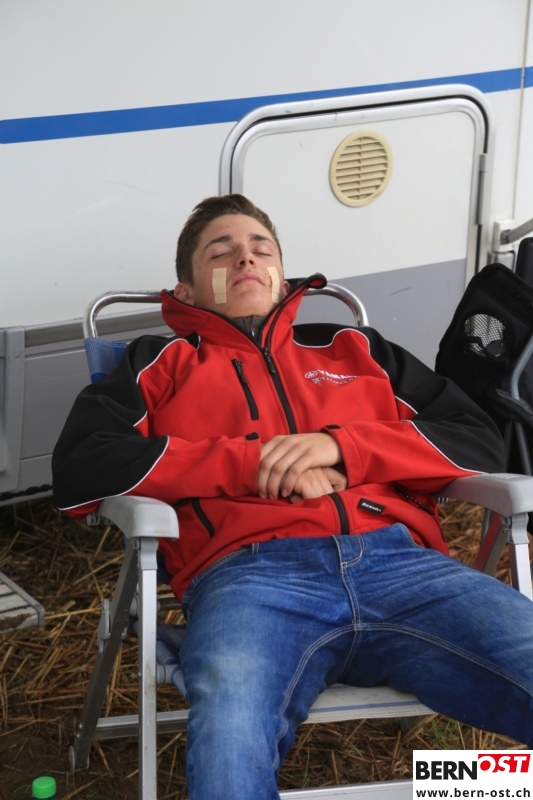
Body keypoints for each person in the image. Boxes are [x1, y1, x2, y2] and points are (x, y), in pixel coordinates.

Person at [53, 194, 533, 800]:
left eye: (261, 248)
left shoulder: (355, 349)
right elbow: (82, 465)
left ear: (282, 276)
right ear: (187, 290)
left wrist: (342, 449)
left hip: (406, 570)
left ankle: (470, 786)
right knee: (230, 745)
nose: (245, 258)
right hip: (252, 582)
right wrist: (252, 463)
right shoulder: (158, 365)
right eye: (221, 251)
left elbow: (477, 438)